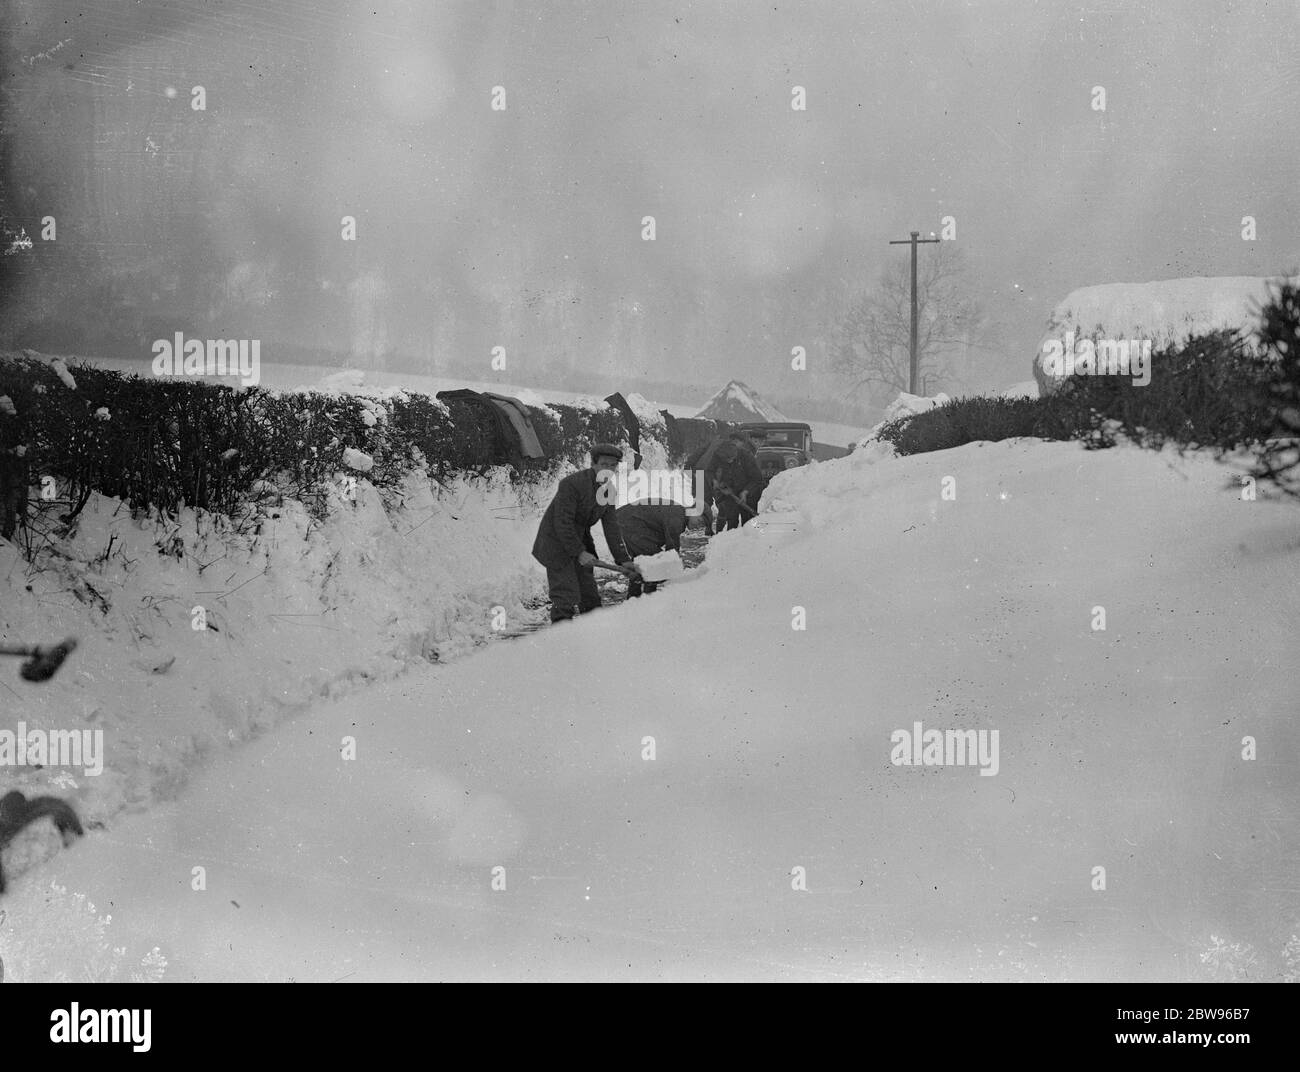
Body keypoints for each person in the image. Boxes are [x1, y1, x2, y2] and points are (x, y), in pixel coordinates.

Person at [532, 444, 638, 622]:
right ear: (593, 464)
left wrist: (624, 559)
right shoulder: (572, 484)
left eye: (613, 466)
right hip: (556, 542)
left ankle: (592, 640)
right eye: (604, 464)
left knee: (590, 596)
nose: (609, 470)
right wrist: (579, 552)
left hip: (580, 541)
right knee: (565, 596)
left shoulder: (608, 491)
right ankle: (560, 641)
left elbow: (612, 527)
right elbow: (562, 522)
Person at [615, 500, 687, 597]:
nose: (700, 525)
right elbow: (672, 548)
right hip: (631, 520)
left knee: (644, 560)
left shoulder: (679, 512)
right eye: (700, 520)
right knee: (654, 560)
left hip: (631, 519)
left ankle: (635, 597)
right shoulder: (677, 516)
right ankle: (647, 598)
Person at [709, 438, 764, 530]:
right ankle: (729, 539)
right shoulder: (718, 455)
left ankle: (751, 538)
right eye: (725, 460)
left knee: (748, 521)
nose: (728, 461)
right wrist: (715, 481)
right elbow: (710, 471)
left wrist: (745, 492)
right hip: (729, 491)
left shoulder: (746, 457)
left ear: (735, 454)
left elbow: (757, 478)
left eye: (730, 459)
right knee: (731, 519)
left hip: (749, 490)